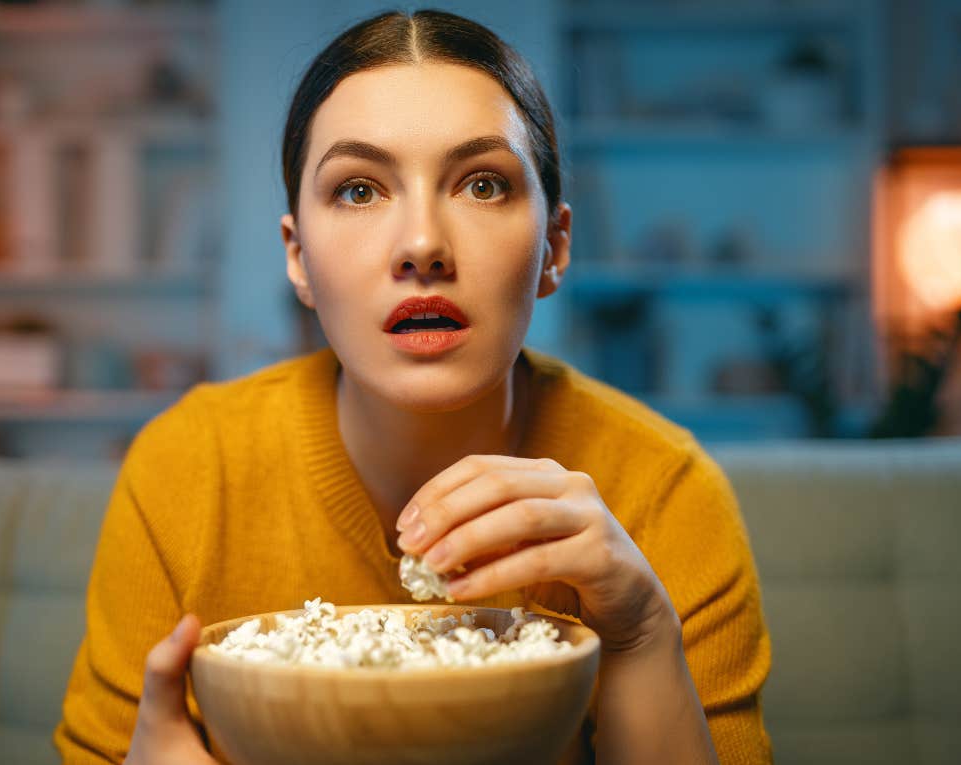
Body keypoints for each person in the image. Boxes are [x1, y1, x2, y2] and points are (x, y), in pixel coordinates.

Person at [54, 8, 771, 764]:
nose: (423, 244)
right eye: (359, 190)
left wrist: (640, 631)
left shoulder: (668, 491)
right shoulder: (185, 470)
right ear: (297, 257)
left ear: (554, 247)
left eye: (484, 184)